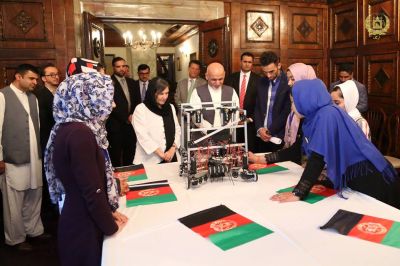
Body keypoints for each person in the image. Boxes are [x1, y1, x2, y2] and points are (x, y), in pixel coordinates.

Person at [44, 57, 127, 266]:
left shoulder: (70, 126)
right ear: (86, 98)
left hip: (80, 215)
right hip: (83, 225)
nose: (112, 104)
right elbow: (92, 191)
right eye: (105, 97)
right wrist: (111, 226)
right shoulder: (80, 134)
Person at [270, 79, 400, 209]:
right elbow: (301, 149)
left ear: (306, 100)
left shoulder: (326, 115)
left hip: (370, 177)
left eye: (293, 102)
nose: (292, 107)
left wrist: (299, 192)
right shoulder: (317, 116)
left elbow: (317, 157)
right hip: (358, 174)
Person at [0, 64, 47, 251]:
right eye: (31, 79)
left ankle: (34, 230)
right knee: (14, 200)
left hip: (35, 156)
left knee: (34, 194)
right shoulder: (2, 96)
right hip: (13, 158)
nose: (35, 82)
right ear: (18, 77)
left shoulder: (33, 97)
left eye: (36, 79)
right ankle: (16, 238)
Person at [249, 62, 316, 165]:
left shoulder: (312, 112)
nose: (289, 83)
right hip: (295, 158)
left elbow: (311, 154)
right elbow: (295, 148)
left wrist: (262, 159)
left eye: (293, 79)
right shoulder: (298, 108)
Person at [33, 63, 60, 222]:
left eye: (57, 74)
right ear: (43, 78)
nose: (56, 77)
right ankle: (50, 212)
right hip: (47, 141)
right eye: (51, 74)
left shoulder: (60, 92)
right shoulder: (40, 96)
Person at [133, 77, 181, 164]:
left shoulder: (170, 107)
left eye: (166, 93)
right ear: (153, 93)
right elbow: (143, 135)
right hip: (150, 160)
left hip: (171, 156)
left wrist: (172, 149)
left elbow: (177, 129)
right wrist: (162, 154)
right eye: (161, 94)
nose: (165, 97)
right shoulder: (141, 109)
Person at [189, 62, 240, 142]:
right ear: (206, 76)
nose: (217, 83)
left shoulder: (231, 91)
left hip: (226, 138)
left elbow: (235, 115)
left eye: (220, 79)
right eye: (214, 79)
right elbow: (196, 117)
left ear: (224, 75)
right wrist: (211, 131)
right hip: (203, 139)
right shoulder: (197, 92)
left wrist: (227, 130)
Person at [106, 57, 141, 167]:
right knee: (116, 155)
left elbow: (137, 101)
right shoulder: (108, 83)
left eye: (123, 66)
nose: (121, 69)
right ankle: (117, 180)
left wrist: (132, 115)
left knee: (130, 153)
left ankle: (131, 177)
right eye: (118, 66)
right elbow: (110, 104)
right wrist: (126, 117)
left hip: (131, 125)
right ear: (113, 68)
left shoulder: (132, 82)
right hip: (116, 125)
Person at [254, 51, 291, 152]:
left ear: (278, 65)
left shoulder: (288, 82)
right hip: (260, 136)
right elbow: (257, 107)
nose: (268, 75)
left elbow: (286, 111)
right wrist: (259, 128)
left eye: (271, 71)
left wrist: (270, 131)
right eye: (265, 72)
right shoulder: (261, 82)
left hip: (279, 137)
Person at [224, 52, 260, 151]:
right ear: (240, 62)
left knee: (249, 150)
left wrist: (250, 118)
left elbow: (260, 103)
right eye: (245, 61)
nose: (247, 64)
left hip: (250, 123)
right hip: (232, 121)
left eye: (250, 62)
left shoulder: (259, 80)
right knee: (233, 150)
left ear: (252, 64)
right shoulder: (231, 78)